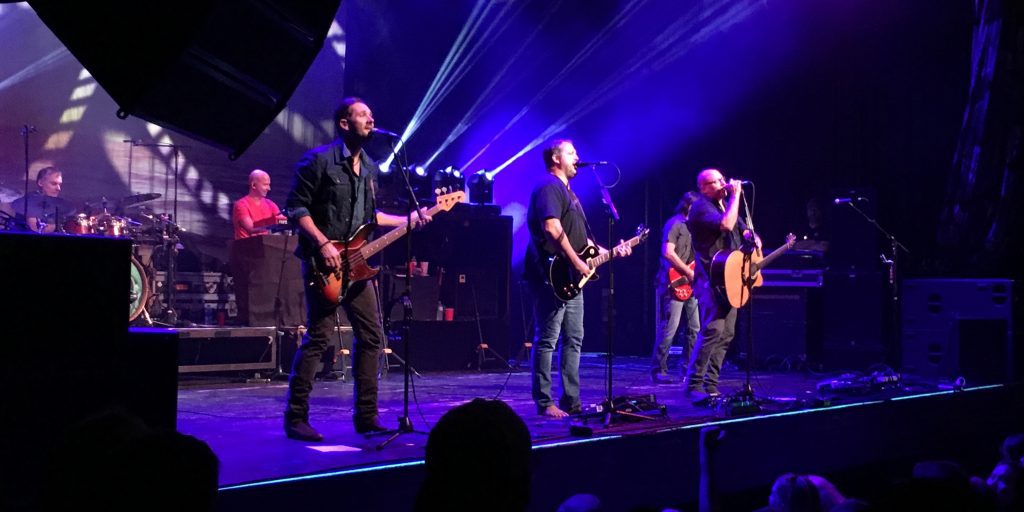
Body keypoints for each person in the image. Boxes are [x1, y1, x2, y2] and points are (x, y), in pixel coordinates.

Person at [283, 97, 431, 441]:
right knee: (319, 338)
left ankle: (367, 417)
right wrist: (322, 243)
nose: (371, 118)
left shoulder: (368, 169)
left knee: (372, 337)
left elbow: (370, 219)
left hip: (358, 267)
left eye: (371, 113)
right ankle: (296, 416)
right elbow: (295, 207)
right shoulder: (319, 161)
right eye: (362, 114)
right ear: (345, 124)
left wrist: (407, 220)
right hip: (325, 263)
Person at [524, 139, 631, 419]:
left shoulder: (571, 193)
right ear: (556, 158)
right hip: (551, 274)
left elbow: (583, 243)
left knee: (574, 338)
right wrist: (577, 262)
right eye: (571, 153)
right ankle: (545, 402)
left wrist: (613, 252)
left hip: (572, 276)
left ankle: (572, 401)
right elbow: (551, 228)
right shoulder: (549, 185)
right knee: (548, 339)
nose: (578, 157)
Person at [684, 168, 759, 400]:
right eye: (715, 182)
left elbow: (743, 230)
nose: (722, 184)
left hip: (732, 278)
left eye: (722, 180)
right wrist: (735, 196)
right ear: (703, 188)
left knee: (727, 333)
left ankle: (711, 384)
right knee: (712, 330)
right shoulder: (700, 207)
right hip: (711, 280)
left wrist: (753, 237)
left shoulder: (725, 206)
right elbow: (726, 225)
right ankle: (693, 385)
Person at [650, 191, 701, 384]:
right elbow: (668, 253)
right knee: (670, 328)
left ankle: (687, 369)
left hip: (691, 283)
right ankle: (658, 369)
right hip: (672, 282)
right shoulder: (675, 224)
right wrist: (688, 273)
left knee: (695, 328)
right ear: (687, 206)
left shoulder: (695, 227)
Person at [10, 166, 72, 233]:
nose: (58, 188)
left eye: (59, 184)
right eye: (54, 184)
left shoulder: (56, 203)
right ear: (40, 183)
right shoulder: (31, 201)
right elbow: (35, 230)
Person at [231, 169, 285, 240]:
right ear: (254, 185)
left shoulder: (271, 204)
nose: (269, 188)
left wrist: (290, 220)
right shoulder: (241, 205)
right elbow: (251, 228)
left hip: (266, 247)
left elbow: (284, 222)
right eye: (265, 185)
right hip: (246, 248)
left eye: (269, 185)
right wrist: (274, 221)